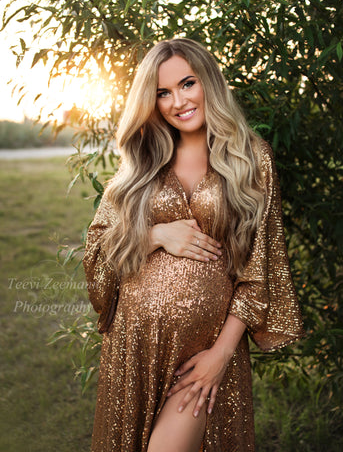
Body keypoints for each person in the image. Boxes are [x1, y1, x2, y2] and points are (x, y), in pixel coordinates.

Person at [83, 37, 304, 452]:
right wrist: (153, 235)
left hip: (205, 349)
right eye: (162, 92)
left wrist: (221, 355)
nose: (177, 101)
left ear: (208, 81)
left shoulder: (249, 158)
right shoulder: (142, 161)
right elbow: (98, 250)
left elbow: (262, 266)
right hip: (134, 346)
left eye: (187, 83)